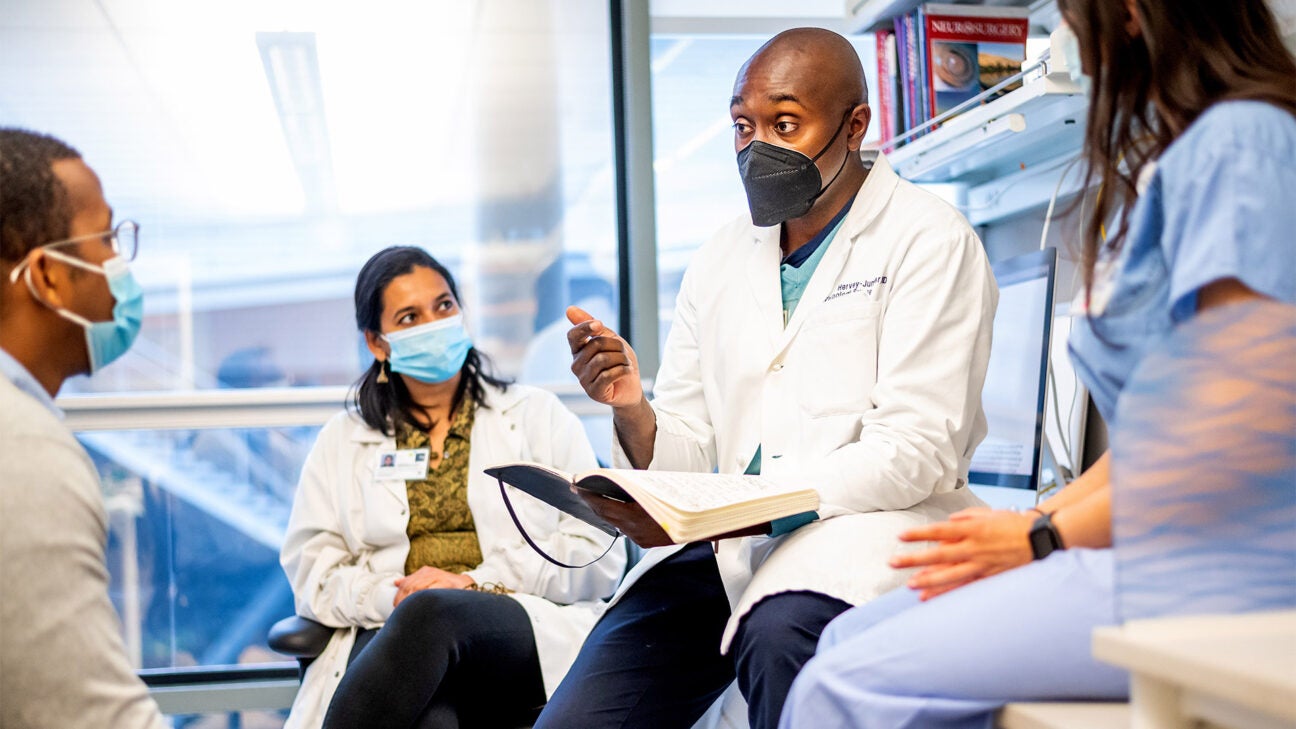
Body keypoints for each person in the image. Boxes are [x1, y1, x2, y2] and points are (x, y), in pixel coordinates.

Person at [779, 1, 1296, 726]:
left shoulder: (1241, 148)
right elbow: (1166, 435)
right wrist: (1044, 516)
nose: (1064, 34)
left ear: (1131, 13)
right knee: (844, 635)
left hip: (1221, 569)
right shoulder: (1202, 154)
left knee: (836, 683)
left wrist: (1041, 539)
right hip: (1176, 548)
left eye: (1070, 13)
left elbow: (1235, 436)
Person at [537, 27, 997, 729]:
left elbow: (916, 448)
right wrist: (632, 408)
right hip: (724, 550)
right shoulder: (721, 257)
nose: (758, 149)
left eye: (785, 124)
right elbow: (692, 447)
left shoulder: (929, 239)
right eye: (743, 127)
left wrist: (757, 506)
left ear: (854, 125)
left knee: (780, 635)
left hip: (859, 536)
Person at [280, 246, 625, 729]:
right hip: (388, 632)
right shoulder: (343, 441)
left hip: (513, 625)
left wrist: (472, 583)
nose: (434, 323)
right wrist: (392, 597)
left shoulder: (536, 416)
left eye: (443, 306)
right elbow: (313, 574)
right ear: (378, 344)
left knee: (434, 613)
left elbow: (598, 556)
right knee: (432, 717)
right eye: (409, 316)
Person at [0, 129, 166, 727]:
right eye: (105, 238)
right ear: (47, 277)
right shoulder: (22, 451)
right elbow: (86, 716)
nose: (119, 263)